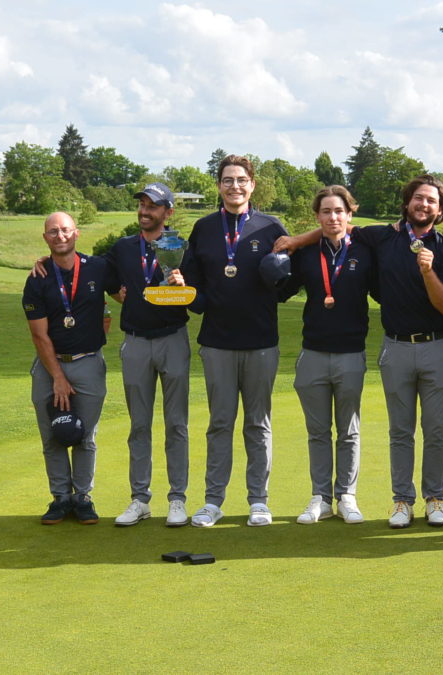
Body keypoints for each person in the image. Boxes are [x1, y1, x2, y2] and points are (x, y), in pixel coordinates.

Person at [278, 175, 443, 528]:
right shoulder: (381, 236)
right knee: (400, 432)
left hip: (436, 345)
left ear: (440, 210)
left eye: (431, 201)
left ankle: (435, 499)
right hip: (394, 347)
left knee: (435, 431)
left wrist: (428, 270)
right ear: (407, 203)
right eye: (418, 198)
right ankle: (402, 502)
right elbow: (336, 229)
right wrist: (299, 240)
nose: (424, 205)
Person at [179, 155, 289, 528]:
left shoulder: (271, 227)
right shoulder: (204, 228)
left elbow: (289, 285)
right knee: (220, 423)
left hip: (261, 343)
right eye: (227, 180)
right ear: (218, 186)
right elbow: (195, 290)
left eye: (241, 179)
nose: (235, 186)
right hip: (217, 344)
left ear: (252, 185)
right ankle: (213, 501)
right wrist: (183, 290)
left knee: (258, 425)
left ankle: (259, 500)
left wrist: (281, 275)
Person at [281, 186, 373, 525]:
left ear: (350, 214)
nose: (333, 217)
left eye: (339, 211)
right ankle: (320, 497)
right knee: (318, 431)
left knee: (348, 431)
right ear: (317, 217)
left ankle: (346, 495)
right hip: (313, 353)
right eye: (326, 212)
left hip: (351, 353)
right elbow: (281, 291)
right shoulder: (306, 254)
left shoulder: (364, 250)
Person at [105, 183, 191, 527]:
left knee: (177, 424)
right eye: (141, 204)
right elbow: (103, 278)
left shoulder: (180, 246)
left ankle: (178, 499)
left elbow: (198, 288)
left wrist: (183, 284)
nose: (144, 211)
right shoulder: (124, 247)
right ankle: (140, 498)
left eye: (152, 206)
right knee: (139, 424)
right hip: (136, 342)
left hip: (173, 339)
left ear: (167, 212)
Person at [23, 212, 115, 525]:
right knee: (53, 435)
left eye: (65, 230)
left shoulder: (98, 268)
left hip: (89, 363)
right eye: (53, 232)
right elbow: (39, 334)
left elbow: (124, 293)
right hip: (50, 366)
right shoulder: (37, 277)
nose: (60, 236)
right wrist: (58, 377)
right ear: (45, 238)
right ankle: (60, 498)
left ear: (76, 233)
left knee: (85, 437)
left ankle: (83, 497)